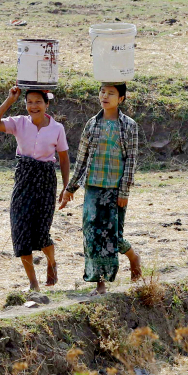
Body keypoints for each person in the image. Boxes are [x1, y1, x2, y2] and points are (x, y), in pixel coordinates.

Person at [60, 83, 142, 296]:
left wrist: (124, 192)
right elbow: (82, 158)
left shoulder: (129, 126)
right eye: (102, 92)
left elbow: (131, 161)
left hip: (115, 190)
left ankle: (134, 258)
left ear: (121, 99)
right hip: (93, 188)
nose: (105, 96)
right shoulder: (92, 124)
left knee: (114, 236)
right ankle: (100, 284)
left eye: (111, 93)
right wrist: (71, 188)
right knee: (92, 234)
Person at [0, 86, 70, 291]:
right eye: (29, 102)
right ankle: (33, 283)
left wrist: (66, 186)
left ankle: (51, 262)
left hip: (46, 179)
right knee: (21, 231)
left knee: (42, 233)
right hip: (23, 178)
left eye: (38, 102)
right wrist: (9, 101)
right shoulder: (19, 123)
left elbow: (64, 158)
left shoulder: (57, 128)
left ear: (47, 104)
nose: (34, 106)